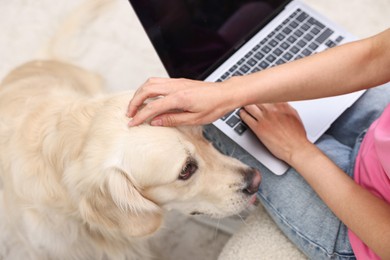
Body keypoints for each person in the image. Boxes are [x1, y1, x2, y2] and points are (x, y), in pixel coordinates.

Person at [127, 29, 390, 259]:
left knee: (212, 122)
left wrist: (298, 150)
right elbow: (377, 56)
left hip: (367, 233)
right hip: (381, 130)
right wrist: (228, 92)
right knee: (249, 18)